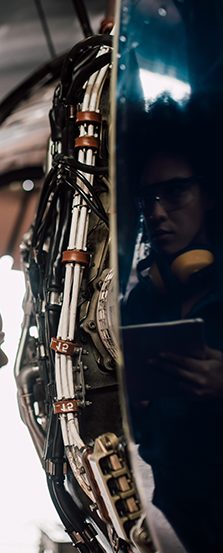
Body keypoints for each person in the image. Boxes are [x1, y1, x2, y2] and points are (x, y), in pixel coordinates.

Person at [121, 103, 223, 553]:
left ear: (211, 195)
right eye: (148, 199)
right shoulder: (142, 300)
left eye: (175, 192)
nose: (158, 213)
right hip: (170, 515)